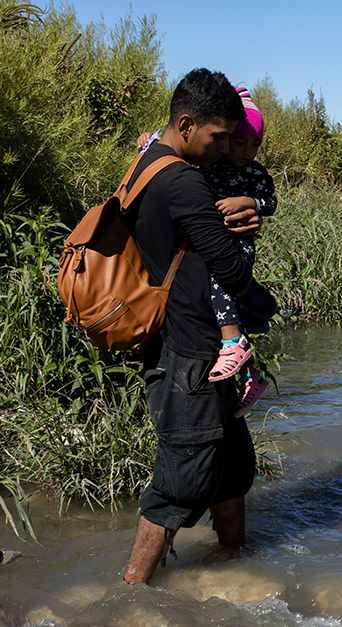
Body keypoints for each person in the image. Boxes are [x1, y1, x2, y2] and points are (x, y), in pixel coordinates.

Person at [123, 68, 260, 585]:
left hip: (193, 346)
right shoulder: (182, 180)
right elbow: (233, 272)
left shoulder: (148, 162)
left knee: (231, 469)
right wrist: (249, 225)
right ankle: (130, 596)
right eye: (218, 137)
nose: (224, 149)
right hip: (189, 353)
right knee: (179, 483)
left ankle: (236, 567)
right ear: (186, 125)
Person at [137, 87, 278, 417]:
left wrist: (249, 203)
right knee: (227, 297)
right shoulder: (203, 168)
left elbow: (269, 201)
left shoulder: (252, 173)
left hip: (235, 246)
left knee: (221, 282)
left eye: (253, 145)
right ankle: (249, 370)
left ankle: (233, 343)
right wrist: (148, 141)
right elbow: (177, 140)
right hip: (187, 314)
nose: (242, 151)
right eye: (233, 141)